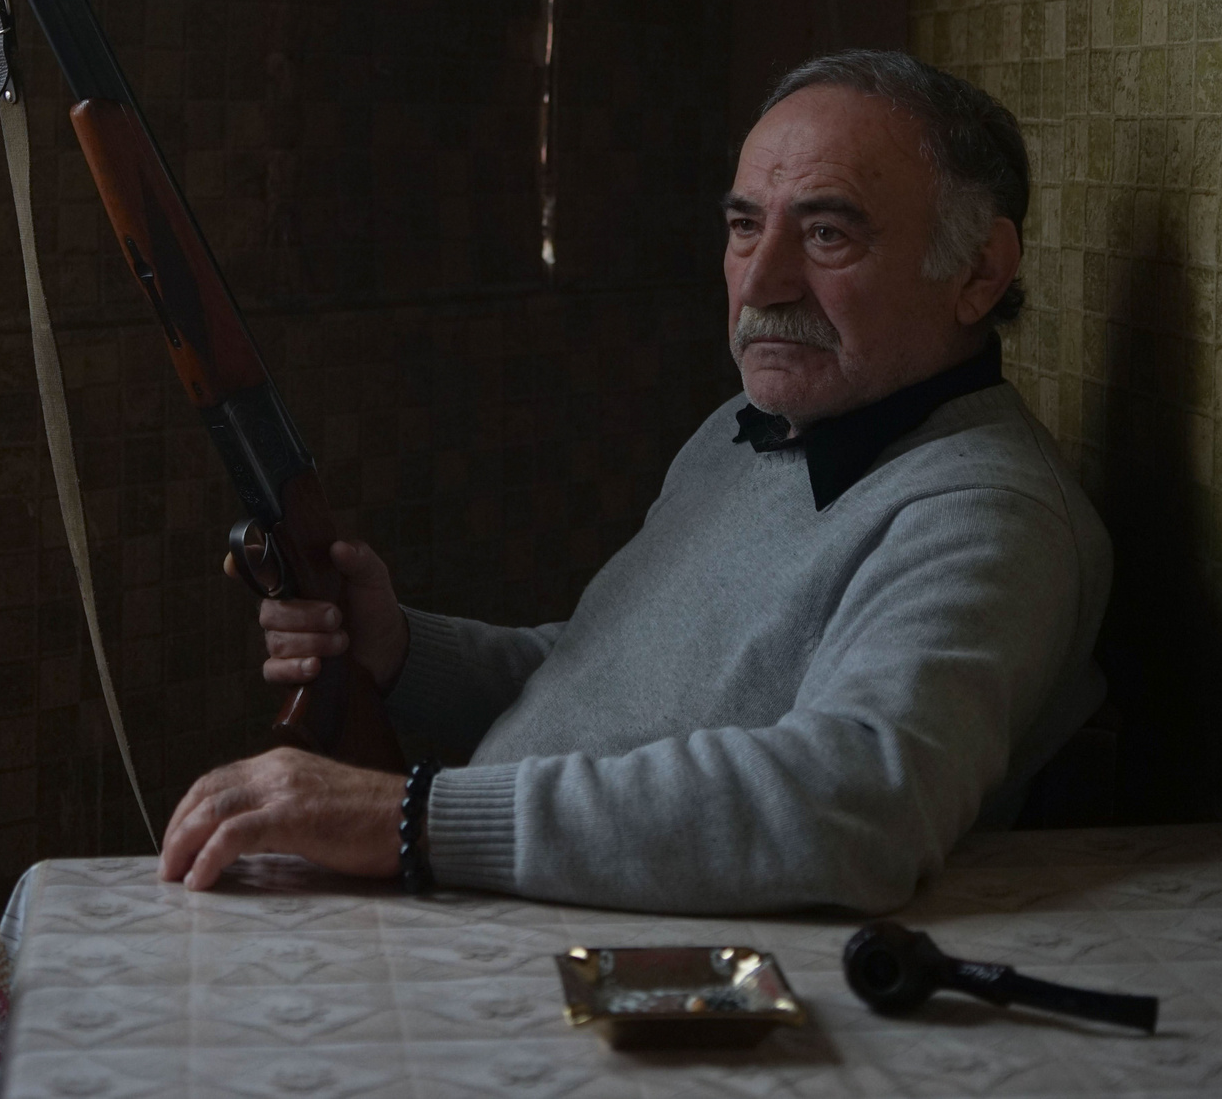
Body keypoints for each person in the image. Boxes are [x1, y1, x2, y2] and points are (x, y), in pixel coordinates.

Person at [156, 50, 1111, 913]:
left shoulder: (988, 515)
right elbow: (616, 685)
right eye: (746, 227)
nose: (762, 280)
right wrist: (405, 654)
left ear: (981, 270)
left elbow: (855, 804)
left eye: (826, 235)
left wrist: (408, 817)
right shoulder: (750, 433)